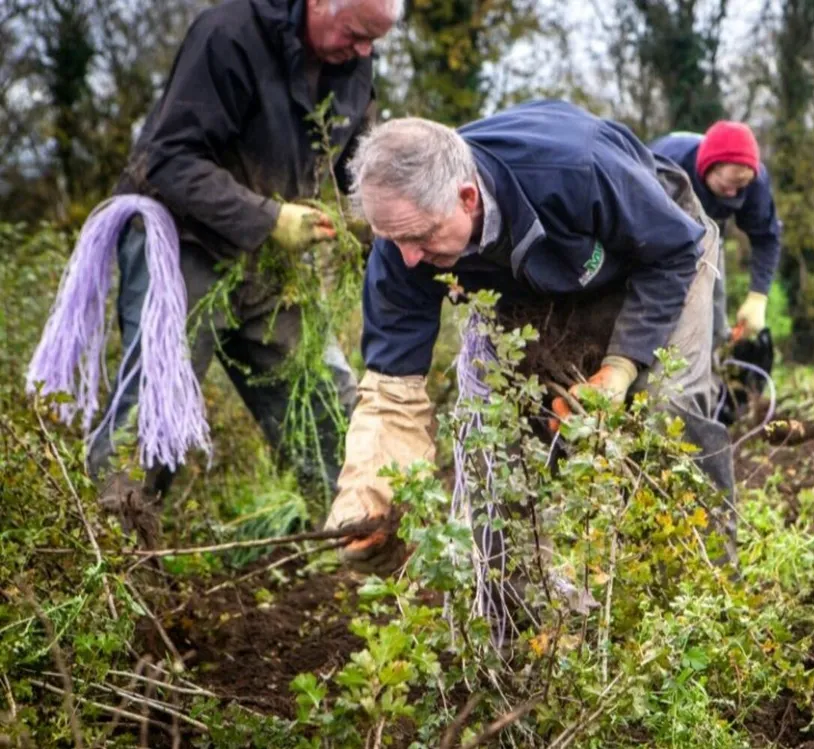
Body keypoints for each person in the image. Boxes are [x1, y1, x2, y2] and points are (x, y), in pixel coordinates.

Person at [322, 99, 736, 573]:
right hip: (536, 282)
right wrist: (367, 497)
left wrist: (618, 370)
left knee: (666, 410)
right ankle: (520, 612)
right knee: (501, 438)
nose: (409, 259)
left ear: (467, 198)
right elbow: (393, 387)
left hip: (660, 248)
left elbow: (672, 253)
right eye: (392, 239)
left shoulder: (577, 167)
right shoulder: (404, 242)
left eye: (421, 237)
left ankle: (708, 586)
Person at [88, 0, 399, 521]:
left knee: (322, 401)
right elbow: (169, 159)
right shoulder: (228, 35)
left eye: (374, 40)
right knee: (155, 412)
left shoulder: (353, 62)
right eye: (356, 33)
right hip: (181, 242)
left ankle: (356, 542)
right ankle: (113, 558)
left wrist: (381, 211)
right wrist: (269, 218)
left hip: (270, 260)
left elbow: (356, 163)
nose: (365, 50)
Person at [650, 122, 782, 345]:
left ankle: (715, 356)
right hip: (655, 224)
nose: (733, 193)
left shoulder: (754, 183)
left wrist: (758, 296)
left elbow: (766, 238)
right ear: (708, 168)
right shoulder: (664, 165)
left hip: (710, 229)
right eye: (727, 185)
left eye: (741, 186)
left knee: (713, 300)